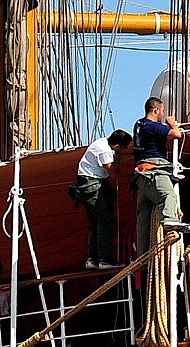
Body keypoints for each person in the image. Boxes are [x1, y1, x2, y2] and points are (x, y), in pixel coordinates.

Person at [132, 88, 183, 261]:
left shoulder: (138, 125)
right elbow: (176, 135)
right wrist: (172, 123)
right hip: (155, 172)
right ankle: (170, 220)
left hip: (141, 176)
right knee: (167, 196)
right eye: (161, 111)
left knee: (143, 216)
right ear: (155, 110)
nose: (162, 114)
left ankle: (143, 255)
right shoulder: (154, 126)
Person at [71, 129, 132, 268]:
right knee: (106, 221)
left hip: (85, 186)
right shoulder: (105, 151)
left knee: (95, 223)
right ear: (117, 146)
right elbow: (113, 174)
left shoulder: (101, 143)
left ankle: (92, 259)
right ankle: (105, 259)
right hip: (92, 186)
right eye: (123, 148)